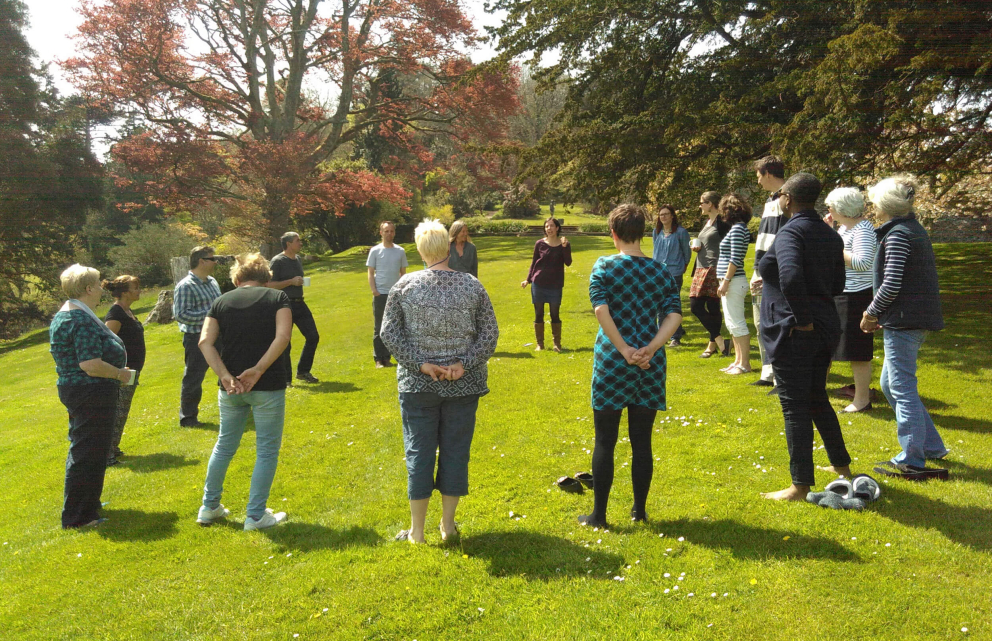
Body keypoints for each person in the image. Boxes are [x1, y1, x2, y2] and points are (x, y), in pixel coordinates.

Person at [380, 219, 499, 544]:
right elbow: (490, 334)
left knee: (419, 451)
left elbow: (388, 333)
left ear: (419, 250)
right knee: (455, 451)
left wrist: (421, 365)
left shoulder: (404, 287)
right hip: (464, 385)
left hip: (418, 386)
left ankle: (417, 532)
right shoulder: (472, 285)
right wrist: (464, 365)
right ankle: (447, 526)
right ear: (447, 247)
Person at [581, 204, 683, 527]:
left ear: (613, 233)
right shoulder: (661, 271)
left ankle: (599, 515)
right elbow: (674, 315)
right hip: (651, 364)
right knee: (642, 441)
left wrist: (624, 349)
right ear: (642, 233)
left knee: (605, 441)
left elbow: (601, 310)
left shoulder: (605, 266)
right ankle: (639, 511)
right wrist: (651, 348)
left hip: (613, 360)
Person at [757, 173, 851, 501]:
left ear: (787, 198)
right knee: (816, 397)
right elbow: (837, 284)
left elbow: (792, 277)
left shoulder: (790, 232)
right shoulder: (831, 234)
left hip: (797, 329)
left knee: (795, 404)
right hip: (826, 326)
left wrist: (803, 319)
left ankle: (799, 485)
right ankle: (842, 467)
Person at [196, 254, 292, 530]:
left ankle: (209, 506)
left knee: (224, 446)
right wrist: (259, 369)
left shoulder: (220, 301)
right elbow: (283, 337)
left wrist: (225, 376)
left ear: (237, 279)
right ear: (267, 278)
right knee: (266, 451)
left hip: (231, 388)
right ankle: (255, 515)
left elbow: (205, 342)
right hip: (267, 385)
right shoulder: (277, 299)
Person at [861, 176, 948, 479]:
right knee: (889, 384)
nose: (871, 206)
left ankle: (912, 459)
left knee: (901, 387)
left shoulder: (898, 234)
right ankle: (933, 447)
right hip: (910, 317)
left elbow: (891, 284)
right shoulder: (910, 229)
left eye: (874, 201)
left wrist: (871, 313)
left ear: (884, 205)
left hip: (905, 319)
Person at [50, 265, 133, 528]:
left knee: (91, 449)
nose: (101, 288)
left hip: (82, 390)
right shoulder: (78, 319)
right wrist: (120, 374)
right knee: (88, 450)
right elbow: (90, 364)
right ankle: (78, 517)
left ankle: (87, 505)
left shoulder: (72, 313)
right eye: (98, 284)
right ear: (87, 288)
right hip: (89, 390)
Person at [824, 187, 878, 413]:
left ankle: (862, 400)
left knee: (858, 350)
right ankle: (817, 389)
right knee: (829, 345)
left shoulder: (863, 229)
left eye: (832, 207)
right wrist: (832, 233)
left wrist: (834, 243)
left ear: (842, 209)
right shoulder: (848, 228)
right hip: (844, 293)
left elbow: (863, 262)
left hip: (857, 297)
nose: (829, 210)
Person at [173, 246, 222, 427]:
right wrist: (211, 315)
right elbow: (181, 315)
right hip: (197, 339)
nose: (216, 262)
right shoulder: (185, 286)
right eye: (212, 258)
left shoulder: (212, 282)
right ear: (201, 261)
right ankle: (188, 418)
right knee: (194, 377)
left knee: (227, 370)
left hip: (219, 335)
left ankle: (233, 407)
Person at [750, 156, 787, 388]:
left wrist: (766, 271)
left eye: (758, 176)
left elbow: (781, 241)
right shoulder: (771, 200)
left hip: (773, 271)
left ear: (768, 174)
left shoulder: (787, 199)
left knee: (775, 324)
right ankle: (768, 373)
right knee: (760, 323)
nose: (758, 182)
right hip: (761, 267)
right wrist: (756, 268)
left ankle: (780, 378)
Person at [103, 275, 145, 465]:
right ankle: (106, 454)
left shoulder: (128, 311)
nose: (139, 291)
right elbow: (105, 342)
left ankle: (113, 447)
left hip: (132, 371)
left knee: (123, 409)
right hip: (122, 372)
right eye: (135, 288)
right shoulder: (116, 314)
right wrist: (116, 370)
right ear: (126, 292)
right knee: (117, 411)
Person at [268, 231, 320, 383]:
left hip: (299, 303)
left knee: (313, 337)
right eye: (298, 241)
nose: (300, 243)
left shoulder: (297, 259)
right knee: (285, 343)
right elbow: (269, 285)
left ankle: (303, 372)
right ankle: (286, 379)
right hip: (284, 305)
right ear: (288, 244)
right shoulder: (277, 261)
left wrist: (299, 281)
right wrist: (290, 282)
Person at [521, 217, 572, 352]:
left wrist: (565, 248)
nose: (548, 228)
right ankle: (540, 344)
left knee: (555, 314)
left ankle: (557, 344)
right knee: (539, 314)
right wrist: (528, 280)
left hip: (555, 285)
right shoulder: (539, 244)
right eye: (546, 226)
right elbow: (534, 263)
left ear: (557, 228)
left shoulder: (564, 244)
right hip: (538, 283)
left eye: (551, 226)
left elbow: (568, 262)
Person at [690, 191, 731, 358]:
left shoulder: (722, 222)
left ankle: (714, 344)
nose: (700, 205)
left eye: (702, 202)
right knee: (697, 305)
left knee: (710, 306)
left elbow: (729, 245)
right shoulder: (707, 222)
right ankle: (719, 341)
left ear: (711, 204)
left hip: (714, 268)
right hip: (701, 267)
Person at [716, 194, 753, 375]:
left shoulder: (738, 229)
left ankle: (745, 364)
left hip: (733, 281)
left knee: (737, 322)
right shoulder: (736, 229)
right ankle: (737, 360)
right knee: (731, 323)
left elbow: (735, 258)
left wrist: (726, 281)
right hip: (729, 281)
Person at [367, 221, 408, 368]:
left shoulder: (400, 251)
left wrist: (402, 291)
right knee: (379, 327)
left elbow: (403, 273)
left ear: (394, 233)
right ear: (381, 233)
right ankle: (379, 359)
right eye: (386, 231)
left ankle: (388, 358)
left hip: (395, 294)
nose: (389, 233)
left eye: (391, 231)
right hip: (380, 294)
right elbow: (370, 272)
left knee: (394, 326)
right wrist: (374, 291)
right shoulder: (375, 251)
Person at [651, 204, 691, 346]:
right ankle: (661, 335)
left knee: (672, 303)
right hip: (658, 273)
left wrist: (683, 267)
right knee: (659, 304)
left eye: (667, 214)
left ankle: (675, 337)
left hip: (674, 272)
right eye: (661, 214)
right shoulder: (657, 232)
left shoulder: (681, 232)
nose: (664, 217)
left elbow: (687, 253)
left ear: (672, 216)